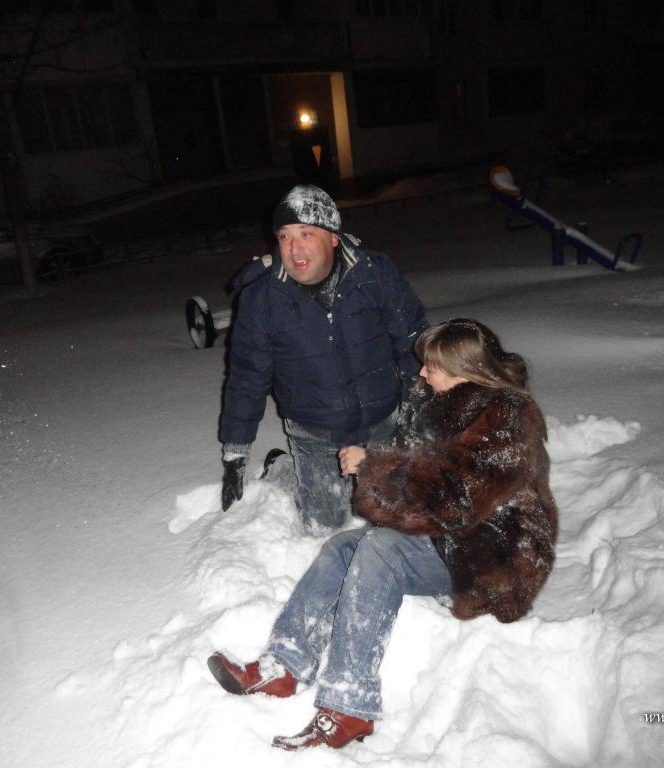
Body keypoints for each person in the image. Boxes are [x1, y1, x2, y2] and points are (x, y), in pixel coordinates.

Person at [207, 318, 559, 751]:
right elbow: (425, 475)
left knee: (380, 549)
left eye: (432, 367)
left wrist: (374, 466)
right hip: (452, 538)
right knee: (343, 547)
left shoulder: (506, 420)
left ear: (465, 370)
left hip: (492, 558)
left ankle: (349, 705)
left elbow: (454, 498)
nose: (421, 373)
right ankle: (283, 664)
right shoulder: (445, 403)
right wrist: (380, 464)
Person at [219, 183, 428, 531]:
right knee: (326, 530)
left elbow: (413, 342)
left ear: (333, 237)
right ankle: (285, 470)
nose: (294, 248)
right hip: (314, 431)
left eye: (306, 233)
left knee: (392, 521)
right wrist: (236, 451)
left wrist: (420, 406)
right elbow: (246, 377)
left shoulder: (373, 273)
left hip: (383, 420)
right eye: (284, 236)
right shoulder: (262, 299)